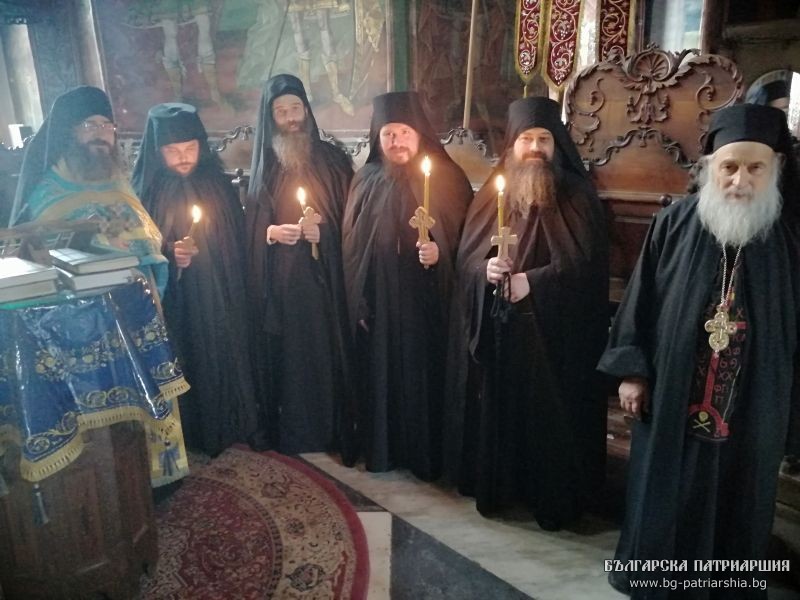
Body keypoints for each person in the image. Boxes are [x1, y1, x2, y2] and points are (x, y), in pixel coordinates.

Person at [598, 103, 800, 596]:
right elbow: (640, 299)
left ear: (775, 168)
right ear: (711, 168)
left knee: (740, 493)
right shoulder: (676, 223)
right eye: (729, 167)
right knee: (666, 487)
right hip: (672, 394)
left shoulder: (788, 238)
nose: (740, 180)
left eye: (756, 167)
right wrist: (632, 372)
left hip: (750, 405)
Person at [10, 85, 193, 486]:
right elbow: (30, 260)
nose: (100, 134)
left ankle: (161, 474)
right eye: (89, 125)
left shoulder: (118, 184)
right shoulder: (46, 194)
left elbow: (148, 242)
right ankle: (104, 487)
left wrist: (163, 255)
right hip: (76, 333)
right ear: (69, 133)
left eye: (106, 125)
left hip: (134, 316)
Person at [444, 97, 609, 529]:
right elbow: (466, 260)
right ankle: (500, 487)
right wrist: (487, 269)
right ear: (512, 146)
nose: (535, 148)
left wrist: (530, 282)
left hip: (553, 341)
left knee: (548, 422)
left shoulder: (577, 194)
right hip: (500, 335)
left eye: (544, 139)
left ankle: (549, 496)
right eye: (526, 139)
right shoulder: (492, 195)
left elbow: (585, 266)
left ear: (556, 145)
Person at [342, 91, 472, 481]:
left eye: (403, 132)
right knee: (380, 378)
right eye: (388, 134)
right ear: (377, 139)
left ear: (419, 134)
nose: (396, 141)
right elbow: (351, 247)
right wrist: (360, 298)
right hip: (379, 301)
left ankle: (426, 456)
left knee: (425, 377)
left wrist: (440, 253)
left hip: (426, 304)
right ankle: (384, 449)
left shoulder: (448, 180)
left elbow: (467, 242)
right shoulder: (365, 180)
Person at [132, 102, 259, 456]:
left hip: (223, 291)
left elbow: (235, 237)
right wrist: (171, 255)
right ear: (158, 153)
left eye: (190, 149)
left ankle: (235, 422)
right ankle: (196, 431)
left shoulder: (217, 185)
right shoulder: (147, 192)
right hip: (179, 303)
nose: (183, 157)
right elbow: (140, 246)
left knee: (227, 349)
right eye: (173, 151)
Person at [246, 74, 353, 455]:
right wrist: (273, 233)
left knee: (326, 355)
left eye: (296, 108)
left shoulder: (334, 160)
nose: (291, 118)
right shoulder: (264, 165)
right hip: (284, 287)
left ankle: (330, 430)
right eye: (281, 111)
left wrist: (325, 235)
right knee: (291, 361)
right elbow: (253, 225)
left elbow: (352, 220)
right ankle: (295, 432)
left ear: (306, 111)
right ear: (270, 117)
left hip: (325, 281)